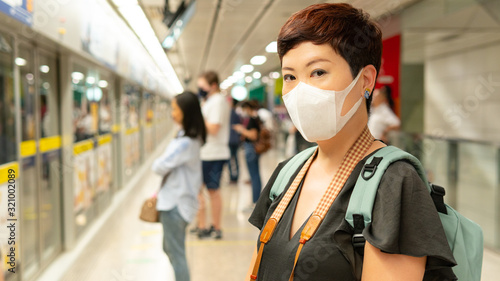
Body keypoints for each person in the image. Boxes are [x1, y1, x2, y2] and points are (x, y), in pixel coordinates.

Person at [247, 3, 456, 281]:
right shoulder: (287, 174)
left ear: (366, 80)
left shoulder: (394, 185)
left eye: (318, 72)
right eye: (290, 76)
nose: (300, 91)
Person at [152, 91, 206, 281]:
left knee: (177, 254)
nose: (172, 113)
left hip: (176, 204)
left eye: (175, 108)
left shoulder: (185, 143)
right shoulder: (189, 138)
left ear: (186, 111)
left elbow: (158, 166)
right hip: (178, 201)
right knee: (170, 249)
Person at [195, 70, 230, 239]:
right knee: (200, 189)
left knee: (213, 191)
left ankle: (216, 227)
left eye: (202, 86)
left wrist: (196, 118)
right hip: (206, 153)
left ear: (213, 85)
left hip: (213, 154)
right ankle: (203, 225)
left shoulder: (217, 101)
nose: (200, 89)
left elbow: (214, 128)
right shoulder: (210, 101)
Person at [233, 101, 262, 207]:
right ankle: (256, 201)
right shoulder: (254, 119)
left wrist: (241, 130)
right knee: (254, 175)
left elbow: (253, 135)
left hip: (251, 149)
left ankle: (255, 202)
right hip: (251, 149)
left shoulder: (252, 120)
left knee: (254, 176)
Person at [228, 98, 242, 184]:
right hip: (236, 139)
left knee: (230, 159)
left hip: (230, 139)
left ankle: (232, 177)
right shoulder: (237, 114)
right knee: (235, 158)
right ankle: (236, 177)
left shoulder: (228, 113)